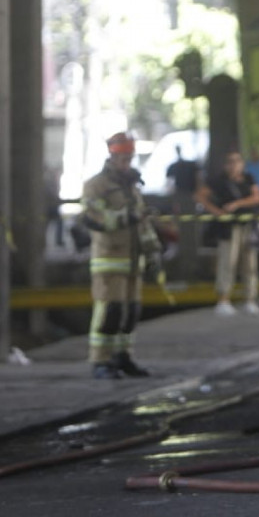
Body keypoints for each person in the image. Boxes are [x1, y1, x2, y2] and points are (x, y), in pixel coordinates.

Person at [81, 132, 162, 379]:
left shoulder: (131, 187)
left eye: (130, 157)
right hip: (109, 259)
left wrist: (152, 252)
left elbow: (142, 224)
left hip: (132, 261)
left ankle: (122, 356)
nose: (128, 162)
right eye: (124, 157)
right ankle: (100, 361)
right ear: (112, 155)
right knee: (110, 311)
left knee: (131, 312)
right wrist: (128, 217)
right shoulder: (97, 185)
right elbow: (94, 218)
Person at [196, 150, 259, 316]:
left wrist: (236, 204)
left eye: (237, 161)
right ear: (225, 165)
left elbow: (257, 197)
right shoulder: (218, 181)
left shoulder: (248, 179)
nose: (234, 166)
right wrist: (217, 212)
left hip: (248, 225)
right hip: (227, 228)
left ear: (242, 164)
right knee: (228, 262)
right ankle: (224, 299)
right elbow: (200, 196)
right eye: (230, 162)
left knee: (250, 263)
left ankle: (250, 299)